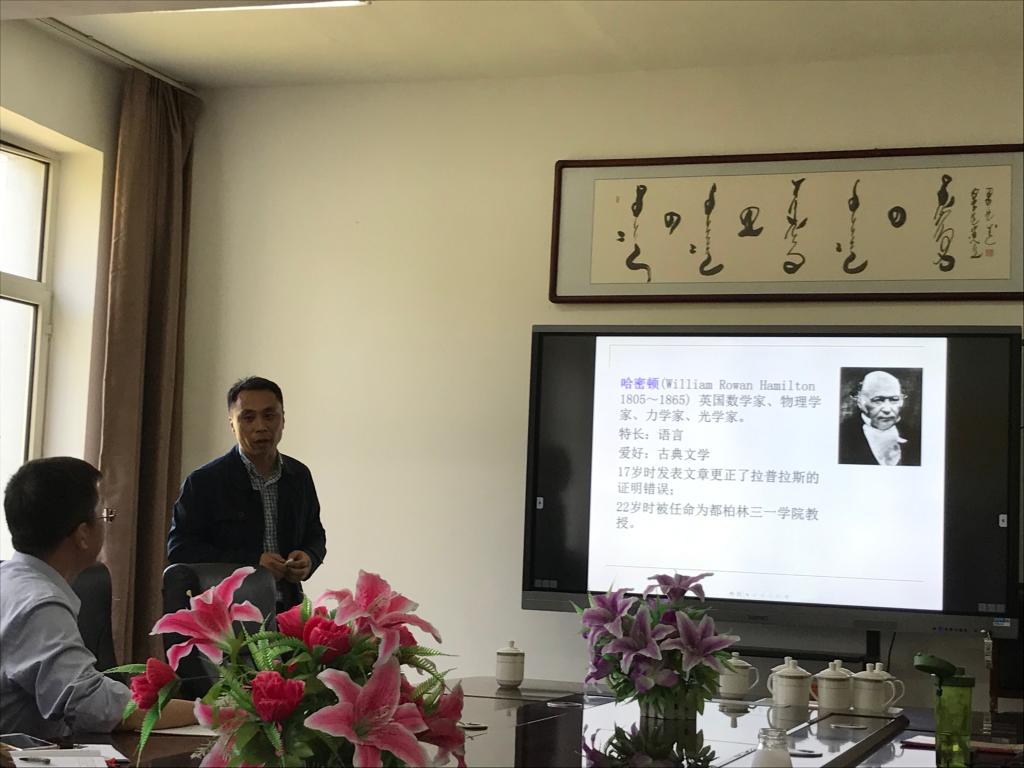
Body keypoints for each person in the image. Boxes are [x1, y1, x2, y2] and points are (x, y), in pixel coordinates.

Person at [0, 457, 194, 739]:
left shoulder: (9, 580)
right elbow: (95, 706)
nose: (106, 523)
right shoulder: (39, 605)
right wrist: (207, 712)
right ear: (82, 535)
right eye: (104, 515)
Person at [167, 376, 326, 611]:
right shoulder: (203, 482)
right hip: (228, 611)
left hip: (288, 607)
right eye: (248, 417)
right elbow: (180, 549)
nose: (260, 426)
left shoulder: (298, 475)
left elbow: (315, 533)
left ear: (283, 419)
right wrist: (252, 563)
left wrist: (309, 557)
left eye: (269, 415)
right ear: (232, 424)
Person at [838, 370, 921, 466]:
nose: (887, 409)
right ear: (861, 402)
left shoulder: (915, 436)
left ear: (901, 401)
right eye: (878, 400)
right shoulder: (842, 436)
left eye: (894, 400)